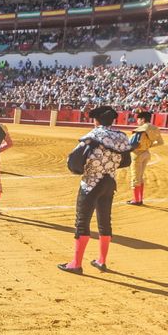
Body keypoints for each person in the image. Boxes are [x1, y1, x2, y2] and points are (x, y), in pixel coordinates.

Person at [58, 106, 130, 274]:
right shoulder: (121, 137)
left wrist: (85, 169)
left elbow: (74, 160)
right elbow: (126, 161)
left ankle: (76, 263)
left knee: (82, 222)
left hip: (91, 182)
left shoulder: (93, 135)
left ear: (96, 120)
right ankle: (101, 261)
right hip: (110, 181)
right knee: (105, 221)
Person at [126, 110, 164, 205]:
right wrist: (148, 145)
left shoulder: (140, 130)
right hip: (146, 154)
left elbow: (132, 144)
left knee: (135, 177)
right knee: (140, 176)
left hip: (137, 155)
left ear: (142, 119)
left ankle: (137, 200)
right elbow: (160, 142)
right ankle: (139, 198)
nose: (137, 121)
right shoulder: (155, 128)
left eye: (138, 119)